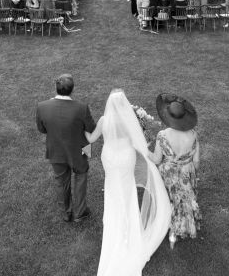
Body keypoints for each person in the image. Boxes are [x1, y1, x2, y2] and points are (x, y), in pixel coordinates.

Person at [85, 90, 171, 276]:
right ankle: (128, 223)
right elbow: (140, 144)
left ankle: (115, 218)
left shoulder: (103, 121)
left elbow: (91, 139)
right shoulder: (129, 120)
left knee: (112, 188)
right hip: (125, 159)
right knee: (127, 190)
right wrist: (151, 158)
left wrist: (81, 128)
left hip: (109, 159)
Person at [36, 74, 96, 224]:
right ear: (72, 90)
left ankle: (66, 213)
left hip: (56, 150)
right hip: (81, 149)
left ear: (56, 88)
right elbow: (92, 128)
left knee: (61, 182)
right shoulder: (82, 108)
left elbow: (42, 129)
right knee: (81, 177)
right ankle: (80, 212)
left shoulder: (42, 106)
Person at [150, 93, 200, 250]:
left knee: (171, 200)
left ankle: (172, 231)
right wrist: (191, 173)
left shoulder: (163, 135)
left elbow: (157, 159)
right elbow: (196, 160)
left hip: (169, 174)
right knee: (185, 200)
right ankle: (184, 226)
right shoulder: (193, 134)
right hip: (186, 171)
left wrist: (145, 149)